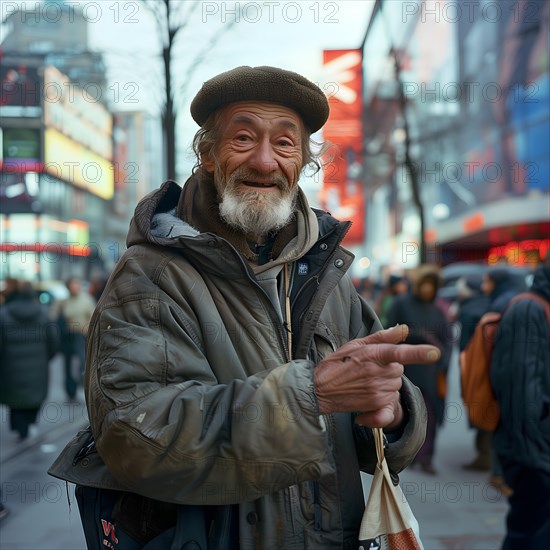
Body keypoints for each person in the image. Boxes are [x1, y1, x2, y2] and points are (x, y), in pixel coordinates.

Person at [49, 66, 441, 548]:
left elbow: (372, 417)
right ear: (208, 155)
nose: (264, 160)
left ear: (303, 163)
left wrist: (393, 409)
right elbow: (136, 436)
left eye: (284, 143)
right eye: (242, 138)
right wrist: (309, 396)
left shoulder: (326, 276)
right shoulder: (149, 276)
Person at [490, 265, 550, 548]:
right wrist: (538, 461)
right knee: (530, 536)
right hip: (534, 455)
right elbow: (520, 394)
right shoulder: (528, 309)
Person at [387, 265, 452, 475]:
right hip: (406, 370)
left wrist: (443, 361)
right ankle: (407, 454)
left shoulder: (437, 312)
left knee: (430, 416)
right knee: (406, 413)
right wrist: (416, 335)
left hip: (431, 373)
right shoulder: (400, 304)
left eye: (431, 286)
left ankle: (426, 458)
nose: (427, 289)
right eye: (424, 285)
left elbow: (447, 341)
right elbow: (390, 332)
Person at [0, 281, 59, 440]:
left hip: (11, 367)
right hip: (38, 366)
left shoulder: (4, 313)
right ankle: (30, 421)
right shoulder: (43, 313)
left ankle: (20, 427)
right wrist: (47, 357)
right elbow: (53, 340)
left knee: (15, 398)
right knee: (34, 396)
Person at [454, 274, 492, 472]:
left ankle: (485, 454)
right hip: (489, 363)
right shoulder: (489, 302)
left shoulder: (468, 309)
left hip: (474, 363)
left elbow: (466, 346)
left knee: (477, 402)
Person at [50, 277, 95, 401]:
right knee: (67, 366)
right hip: (67, 336)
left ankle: (82, 384)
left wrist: (87, 327)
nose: (75, 286)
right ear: (68, 286)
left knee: (82, 362)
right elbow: (53, 316)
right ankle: (70, 391)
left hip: (81, 336)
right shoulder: (63, 301)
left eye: (77, 284)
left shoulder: (86, 299)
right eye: (72, 284)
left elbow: (93, 317)